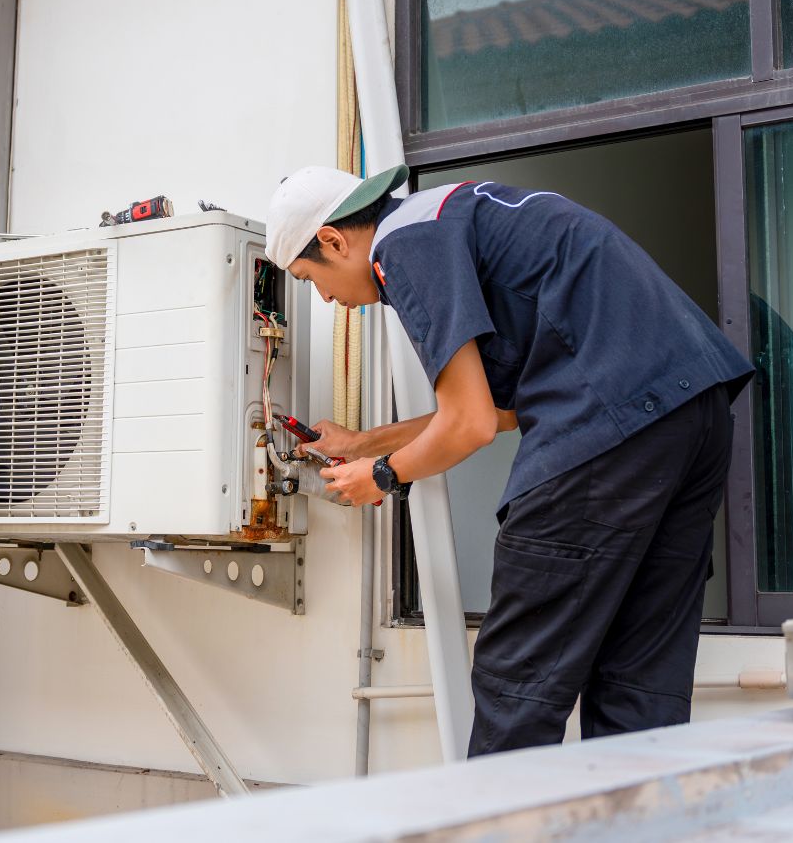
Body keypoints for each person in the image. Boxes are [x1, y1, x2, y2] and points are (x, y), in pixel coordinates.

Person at [265, 164, 754, 753]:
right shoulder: (458, 213)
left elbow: (467, 425)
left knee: (516, 686)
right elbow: (496, 411)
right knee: (638, 680)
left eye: (311, 278)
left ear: (334, 240)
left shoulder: (404, 243)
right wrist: (362, 444)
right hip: (692, 414)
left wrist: (383, 476)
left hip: (608, 431)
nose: (327, 299)